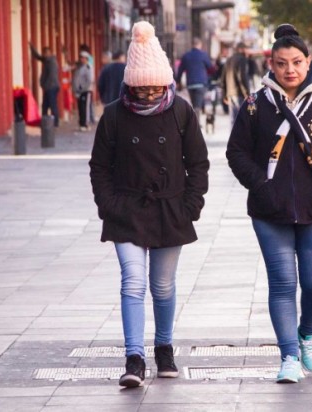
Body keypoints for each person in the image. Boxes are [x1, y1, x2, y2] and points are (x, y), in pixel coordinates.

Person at [226, 24, 312, 384]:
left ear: (308, 61)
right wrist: (261, 186)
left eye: (297, 62)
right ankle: (288, 356)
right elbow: (236, 153)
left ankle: (307, 332)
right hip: (270, 211)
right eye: (281, 63)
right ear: (271, 64)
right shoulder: (255, 105)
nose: (290, 70)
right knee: (283, 284)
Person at [89, 21, 209, 389]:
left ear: (166, 82)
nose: (149, 95)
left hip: (170, 208)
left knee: (163, 286)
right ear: (131, 84)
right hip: (126, 208)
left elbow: (198, 163)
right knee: (133, 282)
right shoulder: (114, 115)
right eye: (142, 88)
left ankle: (164, 348)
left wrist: (190, 206)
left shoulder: (181, 111)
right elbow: (99, 166)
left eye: (156, 87)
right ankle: (134, 357)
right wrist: (109, 205)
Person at [175, 38, 214, 121]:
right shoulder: (203, 55)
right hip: (201, 84)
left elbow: (180, 70)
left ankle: (198, 115)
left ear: (192, 45)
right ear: (200, 45)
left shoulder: (186, 56)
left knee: (195, 103)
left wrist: (178, 81)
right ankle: (197, 123)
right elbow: (210, 68)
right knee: (197, 106)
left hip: (190, 84)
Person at [29, 44, 60, 127]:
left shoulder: (52, 62)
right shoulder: (46, 60)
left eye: (46, 53)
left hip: (51, 87)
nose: (45, 55)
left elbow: (52, 76)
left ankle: (55, 123)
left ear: (50, 53)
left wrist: (45, 85)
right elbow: (38, 57)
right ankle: (45, 122)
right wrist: (32, 47)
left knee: (52, 105)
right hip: (49, 87)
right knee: (45, 105)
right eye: (44, 53)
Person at [221, 42, 250, 125]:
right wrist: (246, 93)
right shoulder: (242, 59)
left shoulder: (229, 59)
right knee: (240, 119)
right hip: (239, 93)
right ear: (241, 49)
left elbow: (223, 78)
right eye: (246, 49)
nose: (247, 51)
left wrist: (224, 95)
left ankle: (233, 133)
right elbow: (242, 77)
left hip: (230, 93)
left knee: (233, 119)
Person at [72, 51, 93, 131]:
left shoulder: (88, 67)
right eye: (81, 58)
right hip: (79, 91)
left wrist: (83, 88)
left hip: (86, 90)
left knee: (85, 108)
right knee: (80, 107)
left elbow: (89, 80)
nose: (82, 59)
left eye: (84, 58)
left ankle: (85, 124)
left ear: (87, 59)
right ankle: (81, 123)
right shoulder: (79, 67)